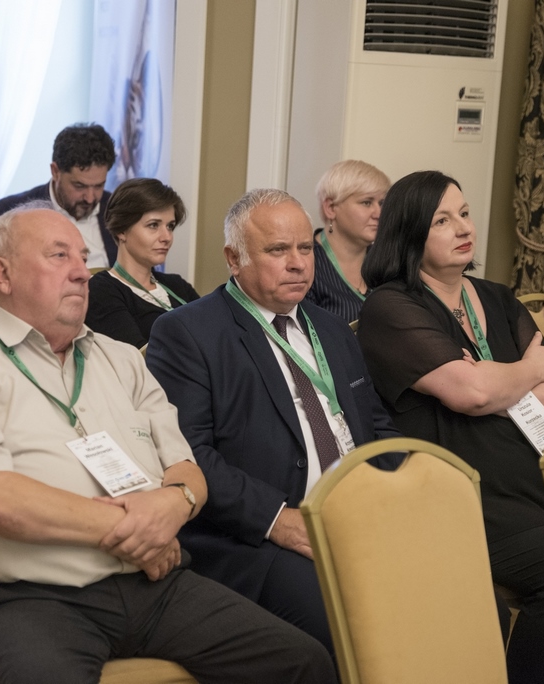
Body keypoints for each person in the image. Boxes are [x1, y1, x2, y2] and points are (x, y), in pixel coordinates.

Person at [0, 203, 335, 684]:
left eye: (83, 258)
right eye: (59, 256)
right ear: (2, 274)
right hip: (26, 595)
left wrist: (175, 503)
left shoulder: (122, 360)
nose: (82, 273)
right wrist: (143, 530)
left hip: (154, 584)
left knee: (302, 662)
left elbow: (188, 471)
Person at [146, 189, 400, 655]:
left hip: (357, 517)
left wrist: (396, 493)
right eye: (278, 250)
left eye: (305, 248)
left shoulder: (332, 330)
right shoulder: (188, 333)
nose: (298, 264)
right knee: (353, 622)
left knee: (460, 596)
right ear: (234, 258)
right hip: (258, 538)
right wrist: (276, 519)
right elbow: (189, 454)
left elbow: (376, 425)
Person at [357, 170, 544, 684]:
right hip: (457, 494)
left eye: (464, 213)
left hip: (529, 480)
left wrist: (491, 387)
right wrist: (520, 376)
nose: (462, 228)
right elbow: (473, 393)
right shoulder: (391, 306)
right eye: (441, 220)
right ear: (410, 234)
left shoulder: (497, 297)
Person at [85, 178, 199, 347]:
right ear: (122, 230)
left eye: (170, 226)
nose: (167, 237)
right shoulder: (101, 291)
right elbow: (136, 357)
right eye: (153, 225)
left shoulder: (178, 285)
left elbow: (216, 335)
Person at [0, 123, 117, 269]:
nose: (90, 198)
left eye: (98, 186)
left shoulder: (118, 209)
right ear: (55, 171)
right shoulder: (12, 212)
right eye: (79, 186)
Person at [304, 160, 389, 323]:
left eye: (382, 203)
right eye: (366, 202)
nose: (379, 214)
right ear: (330, 208)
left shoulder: (388, 262)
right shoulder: (305, 263)